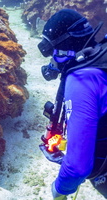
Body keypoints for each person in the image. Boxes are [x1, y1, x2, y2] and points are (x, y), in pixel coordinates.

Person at [37, 9, 107, 200]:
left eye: (55, 55)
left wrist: (59, 191)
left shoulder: (81, 80)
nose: (54, 64)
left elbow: (77, 168)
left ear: (66, 49)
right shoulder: (102, 53)